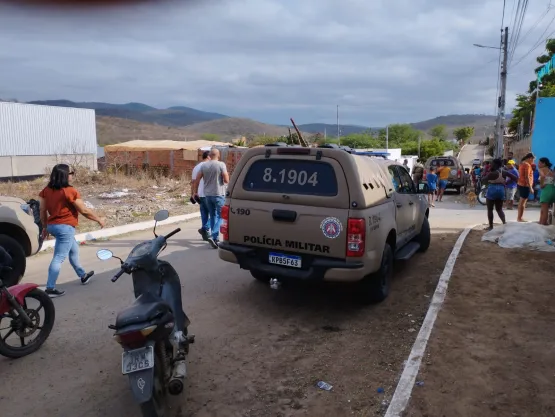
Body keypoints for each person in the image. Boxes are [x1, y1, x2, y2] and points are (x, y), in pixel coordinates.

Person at [39, 164, 105, 297]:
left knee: (73, 250)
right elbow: (84, 210)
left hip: (53, 226)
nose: (72, 175)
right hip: (65, 228)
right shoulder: (69, 191)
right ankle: (50, 288)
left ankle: (83, 275)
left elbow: (42, 210)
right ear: (65, 175)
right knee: (59, 257)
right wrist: (99, 219)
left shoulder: (46, 190)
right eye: (71, 173)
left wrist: (45, 227)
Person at [193, 148, 229, 249]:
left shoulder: (204, 165)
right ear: (218, 155)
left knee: (213, 216)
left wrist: (195, 192)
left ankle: (215, 238)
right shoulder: (221, 164)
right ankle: (214, 234)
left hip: (207, 195)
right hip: (218, 194)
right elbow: (226, 180)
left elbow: (197, 179)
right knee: (222, 216)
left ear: (210, 155)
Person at [483, 158, 517, 230]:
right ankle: (504, 223)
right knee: (499, 209)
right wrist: (506, 182)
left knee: (490, 209)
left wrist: (486, 173)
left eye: (491, 163)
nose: (490, 165)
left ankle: (491, 226)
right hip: (501, 190)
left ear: (495, 165)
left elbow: (483, 180)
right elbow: (515, 178)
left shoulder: (492, 173)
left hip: (492, 189)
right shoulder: (504, 172)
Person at [191, 151, 211, 241]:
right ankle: (205, 229)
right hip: (210, 194)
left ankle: (205, 235)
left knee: (204, 214)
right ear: (209, 157)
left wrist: (193, 193)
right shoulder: (210, 166)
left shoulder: (196, 167)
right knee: (216, 214)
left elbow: (193, 182)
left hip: (199, 194)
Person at [517, 152, 535, 222]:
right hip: (525, 185)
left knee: (521, 202)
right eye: (532, 159)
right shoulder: (527, 165)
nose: (533, 161)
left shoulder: (522, 163)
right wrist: (530, 187)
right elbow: (527, 176)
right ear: (530, 158)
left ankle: (519, 217)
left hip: (521, 184)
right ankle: (520, 218)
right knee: (523, 202)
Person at [538, 157, 555, 225]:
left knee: (544, 210)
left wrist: (541, 185)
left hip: (546, 189)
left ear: (544, 163)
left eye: (539, 163)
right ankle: (540, 223)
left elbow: (542, 176)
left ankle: (543, 226)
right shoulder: (550, 170)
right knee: (544, 209)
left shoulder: (541, 169)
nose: (538, 164)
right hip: (552, 189)